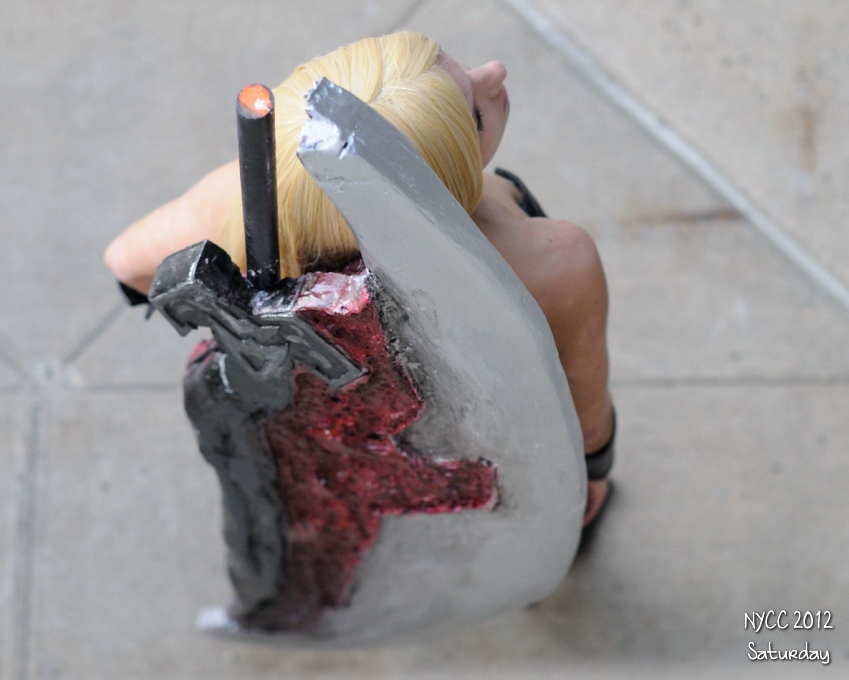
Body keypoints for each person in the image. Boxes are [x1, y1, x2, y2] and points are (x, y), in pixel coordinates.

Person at [104, 32, 613, 528]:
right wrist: (591, 472)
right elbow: (583, 401)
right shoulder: (552, 261)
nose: (494, 73)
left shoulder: (236, 200)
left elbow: (127, 266)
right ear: (431, 187)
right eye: (474, 118)